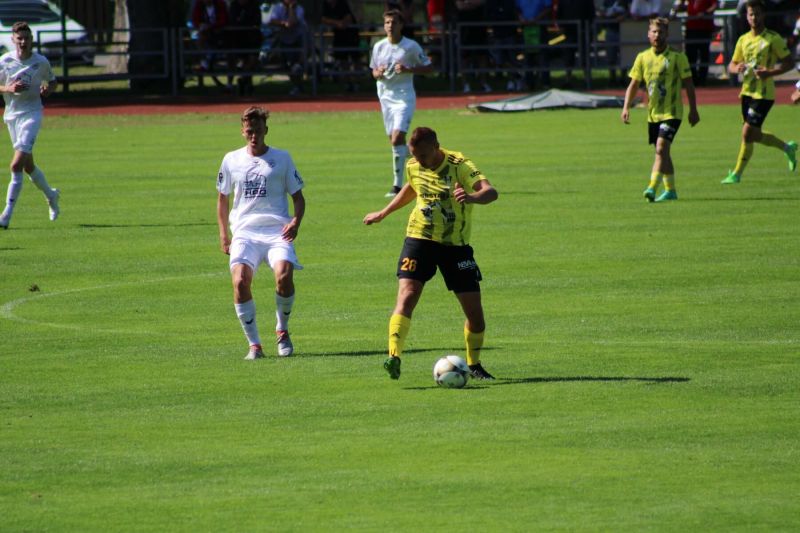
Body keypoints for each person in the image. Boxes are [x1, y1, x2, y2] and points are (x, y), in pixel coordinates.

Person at [363, 126, 499, 381]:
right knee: (407, 294)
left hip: (455, 246)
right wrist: (383, 212)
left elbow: (491, 192)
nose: (419, 161)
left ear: (436, 147)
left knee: (475, 316)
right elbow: (412, 188)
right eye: (415, 155)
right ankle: (393, 356)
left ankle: (474, 365)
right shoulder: (414, 165)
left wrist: (471, 197)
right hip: (419, 238)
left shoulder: (460, 164)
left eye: (424, 155)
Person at [216, 106, 306, 360]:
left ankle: (282, 330)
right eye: (249, 131)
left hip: (277, 230)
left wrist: (295, 221)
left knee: (284, 275)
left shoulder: (282, 158)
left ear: (266, 130)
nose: (254, 136)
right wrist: (224, 234)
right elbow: (222, 199)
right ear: (243, 132)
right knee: (240, 282)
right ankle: (254, 345)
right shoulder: (231, 160)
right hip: (245, 232)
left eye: (258, 131)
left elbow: (299, 198)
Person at [621, 16, 700, 202]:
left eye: (661, 32)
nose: (657, 35)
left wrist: (693, 109)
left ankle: (652, 187)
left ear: (667, 35)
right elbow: (633, 84)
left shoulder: (678, 58)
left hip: (672, 112)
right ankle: (671, 190)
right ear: (648, 34)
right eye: (654, 32)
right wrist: (626, 107)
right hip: (653, 114)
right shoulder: (642, 57)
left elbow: (689, 85)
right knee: (663, 152)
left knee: (661, 148)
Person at [722, 0, 797, 184]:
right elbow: (731, 64)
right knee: (753, 135)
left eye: (757, 14)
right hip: (747, 92)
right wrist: (736, 68)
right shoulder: (743, 39)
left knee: (747, 133)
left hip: (764, 94)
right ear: (747, 17)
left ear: (763, 15)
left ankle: (737, 174)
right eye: (751, 14)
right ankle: (787, 148)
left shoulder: (773, 39)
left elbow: (790, 63)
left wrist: (770, 73)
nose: (754, 17)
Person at [0, 22, 59, 230]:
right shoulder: (5, 61)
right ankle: (51, 196)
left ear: (31, 39)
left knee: (15, 165)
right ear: (13, 40)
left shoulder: (40, 62)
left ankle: (5, 215)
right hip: (11, 117)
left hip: (32, 114)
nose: (23, 42)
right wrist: (8, 87)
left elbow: (53, 81)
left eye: (27, 38)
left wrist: (48, 89)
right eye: (20, 38)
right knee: (28, 166)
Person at [370, 9, 434, 197]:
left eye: (394, 22)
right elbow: (373, 71)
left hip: (404, 97)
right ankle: (424, 156)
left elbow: (430, 67)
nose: (390, 26)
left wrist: (409, 69)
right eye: (387, 22)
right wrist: (378, 73)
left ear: (401, 25)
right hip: (385, 97)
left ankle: (397, 186)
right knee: (395, 143)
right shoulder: (379, 46)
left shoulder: (411, 46)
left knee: (398, 138)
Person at [268, 0, 308, 96]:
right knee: (287, 66)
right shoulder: (277, 7)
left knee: (297, 66)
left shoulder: (299, 9)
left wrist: (290, 8)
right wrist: (283, 23)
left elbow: (292, 22)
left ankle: (298, 87)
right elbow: (271, 20)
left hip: (299, 41)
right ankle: (298, 86)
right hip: (284, 40)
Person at [673, 0, 718, 85]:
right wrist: (676, 10)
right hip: (691, 28)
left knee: (704, 54)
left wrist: (704, 13)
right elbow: (680, 3)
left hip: (704, 28)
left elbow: (715, 5)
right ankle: (693, 79)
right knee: (690, 55)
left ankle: (702, 80)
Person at [322, 0, 362, 93]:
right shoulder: (325, 5)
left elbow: (348, 19)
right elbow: (323, 19)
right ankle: (348, 83)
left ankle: (357, 83)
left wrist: (341, 24)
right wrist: (337, 23)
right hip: (339, 35)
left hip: (351, 34)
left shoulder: (342, 3)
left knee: (355, 58)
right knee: (343, 59)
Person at [455, 0, 491, 93]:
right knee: (465, 57)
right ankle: (466, 85)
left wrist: (468, 3)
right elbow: (460, 5)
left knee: (482, 56)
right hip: (464, 28)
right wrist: (473, 4)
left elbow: (483, 2)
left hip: (479, 26)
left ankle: (483, 83)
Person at [228, 0, 263, 96]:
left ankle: (243, 80)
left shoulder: (254, 6)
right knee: (239, 61)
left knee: (251, 61)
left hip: (253, 39)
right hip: (237, 40)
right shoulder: (233, 6)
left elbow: (257, 23)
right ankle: (240, 84)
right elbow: (233, 21)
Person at [517, 0, 553, 88]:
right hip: (526, 28)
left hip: (540, 27)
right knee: (528, 57)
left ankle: (545, 83)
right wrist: (521, 18)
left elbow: (548, 7)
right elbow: (516, 9)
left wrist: (537, 18)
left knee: (543, 57)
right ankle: (529, 83)